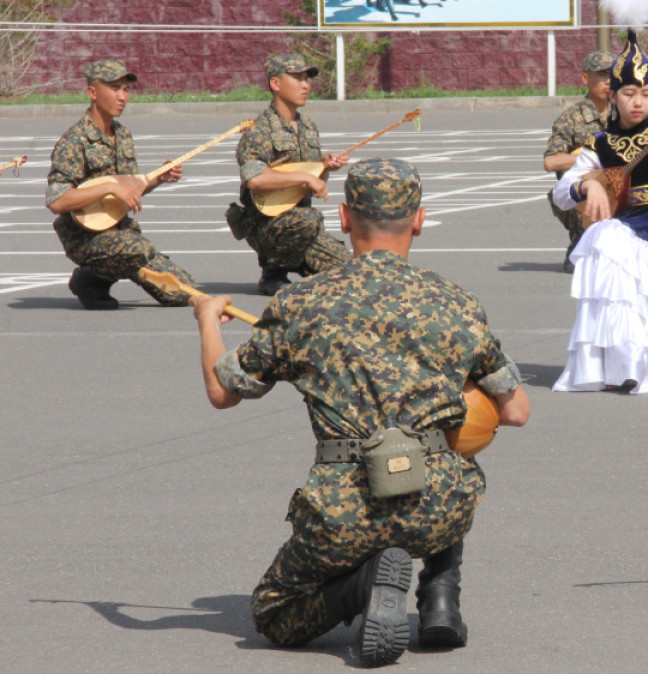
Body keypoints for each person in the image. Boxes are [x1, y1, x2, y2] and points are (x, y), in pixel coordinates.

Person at [190, 158, 530, 665]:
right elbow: (518, 411)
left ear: (345, 219)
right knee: (453, 448)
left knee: (274, 615)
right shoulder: (457, 303)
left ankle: (361, 588)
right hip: (437, 506)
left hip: (346, 506)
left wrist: (207, 320)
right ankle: (440, 599)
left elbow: (224, 391)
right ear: (418, 219)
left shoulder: (301, 302)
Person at [551, 29, 648, 394]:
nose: (638, 102)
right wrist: (588, 184)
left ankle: (647, 364)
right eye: (629, 93)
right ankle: (613, 365)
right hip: (627, 227)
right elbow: (562, 191)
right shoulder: (600, 144)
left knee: (605, 240)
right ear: (613, 94)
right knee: (603, 239)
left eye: (646, 93)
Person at [46, 59, 195, 310]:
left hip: (122, 232)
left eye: (126, 89)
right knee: (134, 250)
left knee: (183, 291)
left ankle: (107, 272)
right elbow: (58, 201)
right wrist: (108, 188)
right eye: (115, 88)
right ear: (93, 92)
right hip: (85, 236)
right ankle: (89, 279)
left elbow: (128, 188)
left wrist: (158, 178)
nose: (122, 96)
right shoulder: (74, 141)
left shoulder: (123, 135)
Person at [228, 54, 353, 296]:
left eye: (307, 79)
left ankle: (305, 266)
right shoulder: (259, 130)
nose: (306, 85)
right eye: (297, 78)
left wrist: (323, 168)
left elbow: (312, 186)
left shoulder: (307, 127)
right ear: (275, 84)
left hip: (300, 223)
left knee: (351, 275)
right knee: (309, 219)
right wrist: (307, 178)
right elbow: (256, 180)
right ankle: (273, 271)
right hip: (266, 224)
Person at [543, 49, 613, 273]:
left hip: (621, 189)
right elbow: (551, 162)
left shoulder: (626, 113)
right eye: (602, 75)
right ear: (585, 78)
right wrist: (591, 158)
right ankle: (580, 239)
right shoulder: (571, 119)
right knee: (583, 264)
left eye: (614, 74)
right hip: (582, 196)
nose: (609, 81)